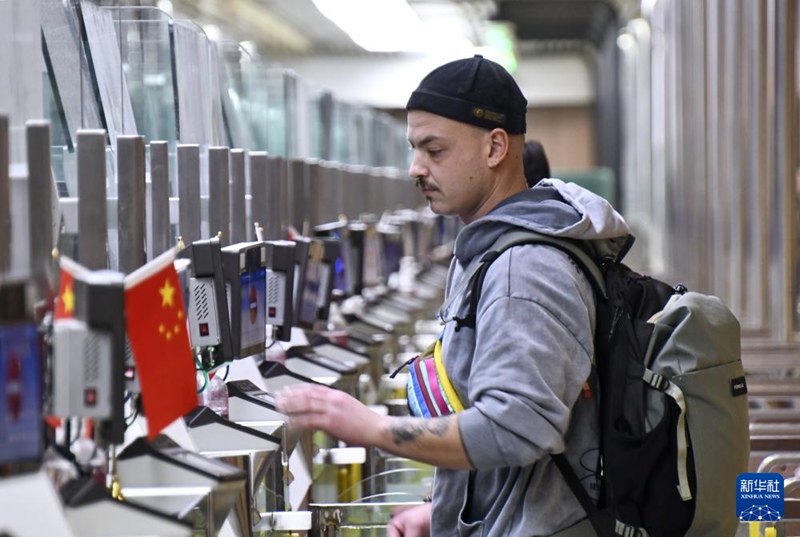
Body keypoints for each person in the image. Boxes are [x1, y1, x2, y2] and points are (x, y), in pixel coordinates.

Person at [275, 55, 631, 536]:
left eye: (434, 151)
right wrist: (443, 511)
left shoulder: (523, 269)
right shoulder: (492, 252)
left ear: (495, 147)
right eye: (414, 149)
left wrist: (375, 429)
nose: (414, 169)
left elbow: (516, 426)